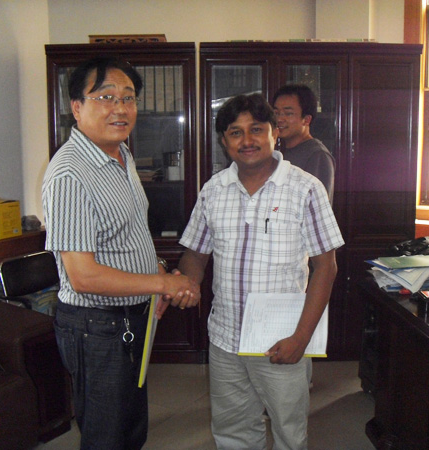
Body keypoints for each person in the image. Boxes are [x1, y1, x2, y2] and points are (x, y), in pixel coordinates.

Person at [42, 57, 200, 450]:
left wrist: (155, 272)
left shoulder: (121, 155)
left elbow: (127, 235)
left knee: (130, 427)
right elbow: (83, 276)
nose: (120, 108)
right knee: (106, 436)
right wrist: (162, 283)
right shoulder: (70, 174)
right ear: (76, 107)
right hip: (97, 325)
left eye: (128, 98)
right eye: (105, 97)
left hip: (131, 316)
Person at [174, 93, 344, 449]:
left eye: (256, 129)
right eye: (235, 132)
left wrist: (301, 338)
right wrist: (185, 284)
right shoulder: (213, 190)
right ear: (224, 141)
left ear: (274, 133)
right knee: (233, 430)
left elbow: (325, 268)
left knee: (288, 431)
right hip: (225, 338)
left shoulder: (305, 188)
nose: (247, 140)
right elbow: (196, 255)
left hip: (281, 339)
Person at [273, 84, 335, 202]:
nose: (279, 119)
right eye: (276, 113)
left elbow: (316, 206)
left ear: (306, 120)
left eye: (288, 113)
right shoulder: (281, 151)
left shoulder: (317, 155)